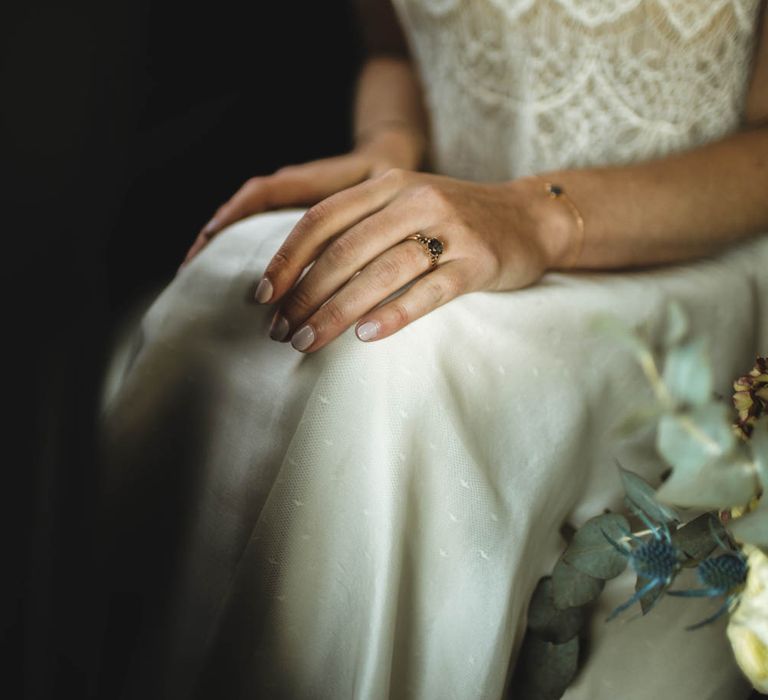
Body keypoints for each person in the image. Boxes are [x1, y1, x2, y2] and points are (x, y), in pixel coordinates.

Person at [97, 1, 768, 698]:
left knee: (394, 361)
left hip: (688, 255)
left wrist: (536, 216)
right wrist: (387, 146)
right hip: (447, 213)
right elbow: (394, 50)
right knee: (234, 288)